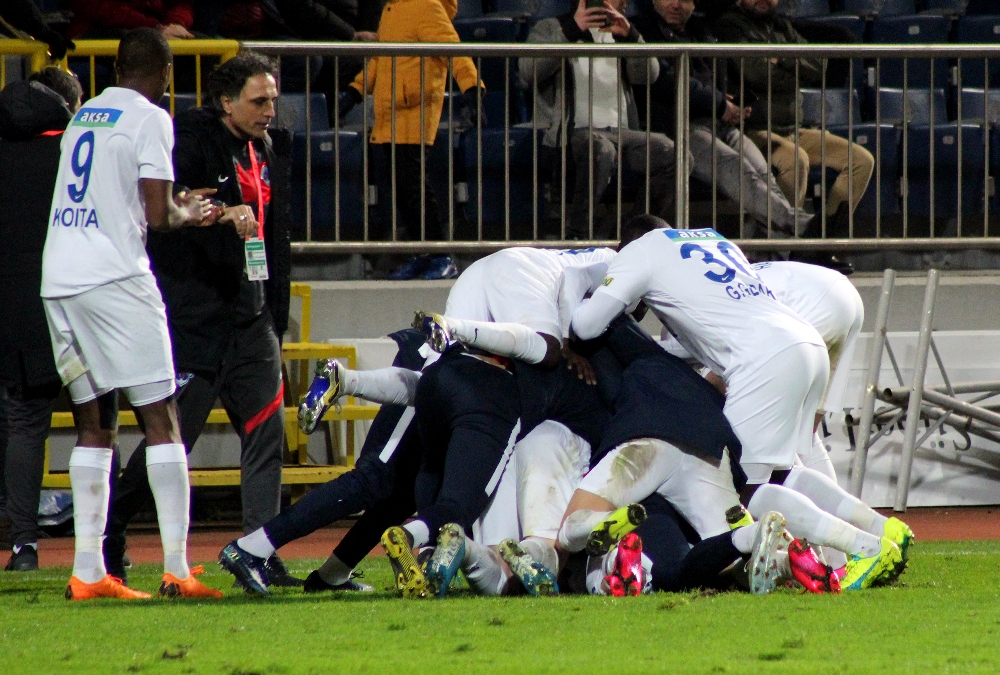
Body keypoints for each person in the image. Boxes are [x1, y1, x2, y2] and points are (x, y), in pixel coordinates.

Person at [218, 246, 613, 595]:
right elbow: (551, 335)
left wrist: (565, 341)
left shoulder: (537, 274)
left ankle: (333, 574)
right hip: (453, 360)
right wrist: (563, 343)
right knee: (378, 479)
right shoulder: (595, 270)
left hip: (448, 359)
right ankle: (253, 547)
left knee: (402, 488)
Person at [571, 215, 907, 590]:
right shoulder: (712, 238)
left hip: (764, 356)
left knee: (742, 489)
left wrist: (590, 296)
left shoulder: (640, 251)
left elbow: (585, 325)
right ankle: (874, 532)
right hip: (803, 340)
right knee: (787, 469)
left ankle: (865, 546)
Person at [103, 50, 299, 586]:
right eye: (259, 102)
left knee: (265, 435)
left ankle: (258, 550)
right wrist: (213, 213)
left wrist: (273, 313)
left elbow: (273, 234)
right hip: (197, 319)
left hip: (254, 318)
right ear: (226, 101)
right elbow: (167, 205)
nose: (269, 112)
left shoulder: (270, 146)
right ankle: (110, 531)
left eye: (274, 101)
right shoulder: (184, 138)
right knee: (173, 441)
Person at [40, 28, 220, 600]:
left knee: (95, 424)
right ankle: (177, 568)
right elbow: (158, 215)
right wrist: (189, 211)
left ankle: (89, 572)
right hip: (115, 277)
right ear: (165, 75)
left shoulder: (86, 113)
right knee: (161, 418)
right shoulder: (150, 119)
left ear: (117, 67)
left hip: (59, 277)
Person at [633, 0, 821, 244]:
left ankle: (775, 252)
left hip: (719, 123)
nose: (675, 4)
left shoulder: (701, 31)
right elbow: (669, 80)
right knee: (737, 167)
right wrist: (718, 102)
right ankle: (805, 228)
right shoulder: (644, 32)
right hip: (679, 128)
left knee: (764, 175)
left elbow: (710, 78)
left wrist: (725, 99)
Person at [712, 0, 874, 271]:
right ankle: (784, 248)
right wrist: (794, 67)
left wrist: (782, 60)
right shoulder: (730, 26)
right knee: (794, 159)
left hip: (793, 128)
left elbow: (820, 66)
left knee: (860, 159)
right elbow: (756, 73)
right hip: (754, 129)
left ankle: (821, 243)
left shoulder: (782, 26)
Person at [0, 68, 83, 571]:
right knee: (96, 423)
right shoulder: (73, 156)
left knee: (21, 424)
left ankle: (23, 546)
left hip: (10, 309)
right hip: (68, 303)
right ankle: (104, 544)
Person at [336, 0, 484, 279]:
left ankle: (441, 255)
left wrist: (472, 85)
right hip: (389, 114)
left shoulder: (426, 7)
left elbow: (452, 48)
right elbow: (380, 60)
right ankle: (423, 253)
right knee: (402, 191)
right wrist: (356, 91)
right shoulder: (391, 11)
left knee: (415, 189)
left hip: (414, 111)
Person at [519, 0, 676, 239]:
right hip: (574, 132)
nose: (622, 2)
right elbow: (529, 71)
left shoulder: (621, 31)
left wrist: (632, 37)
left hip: (622, 132)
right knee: (600, 150)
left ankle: (634, 232)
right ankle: (576, 235)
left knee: (674, 154)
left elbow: (648, 76)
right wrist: (572, 29)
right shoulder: (552, 27)